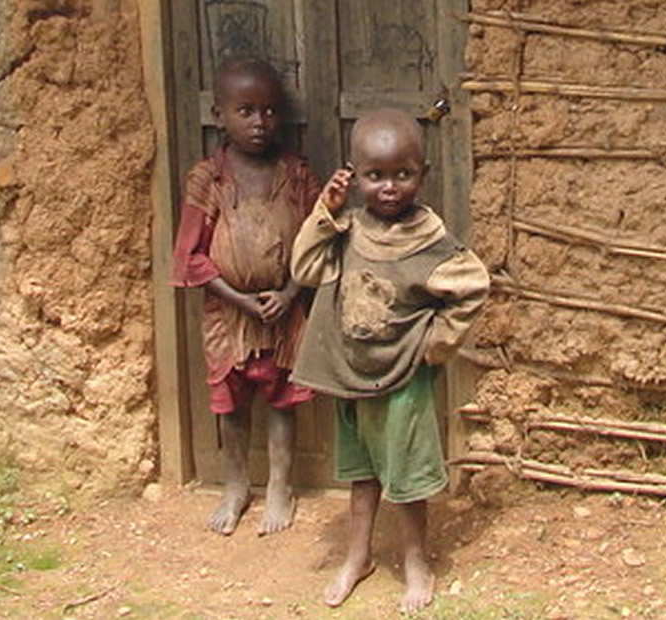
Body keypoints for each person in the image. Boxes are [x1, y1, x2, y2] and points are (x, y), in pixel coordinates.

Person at [290, 108, 490, 612]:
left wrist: (434, 346)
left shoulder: (432, 244)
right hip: (351, 373)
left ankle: (416, 562)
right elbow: (305, 268)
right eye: (375, 175)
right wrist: (325, 211)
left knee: (407, 481)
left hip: (402, 378)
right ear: (355, 176)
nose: (389, 187)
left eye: (403, 174)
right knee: (362, 475)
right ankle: (357, 557)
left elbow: (472, 289)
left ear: (423, 172)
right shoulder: (346, 230)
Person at [171, 57, 320, 536]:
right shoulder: (209, 179)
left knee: (281, 399)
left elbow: (321, 241)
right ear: (220, 115)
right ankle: (235, 485)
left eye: (270, 112)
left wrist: (291, 291)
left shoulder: (297, 176)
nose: (260, 123)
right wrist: (239, 298)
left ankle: (280, 484)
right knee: (232, 404)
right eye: (246, 111)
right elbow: (191, 254)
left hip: (284, 309)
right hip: (228, 312)